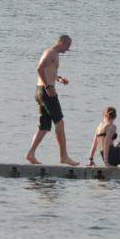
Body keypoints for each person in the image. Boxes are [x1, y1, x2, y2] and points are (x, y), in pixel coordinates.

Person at [26, 35, 80, 166]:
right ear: (61, 43)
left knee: (44, 127)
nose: (68, 49)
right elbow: (39, 69)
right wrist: (49, 86)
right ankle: (64, 156)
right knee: (60, 123)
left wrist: (59, 79)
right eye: (67, 46)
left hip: (40, 91)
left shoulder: (52, 53)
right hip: (46, 92)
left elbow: (48, 71)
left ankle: (30, 154)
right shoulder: (51, 53)